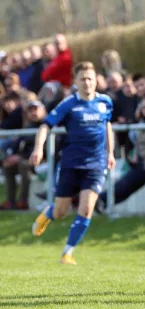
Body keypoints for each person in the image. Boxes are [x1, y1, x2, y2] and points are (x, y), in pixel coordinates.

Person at [30, 62, 115, 265]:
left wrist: (110, 153)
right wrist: (38, 148)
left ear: (95, 80)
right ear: (76, 82)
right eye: (83, 79)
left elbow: (107, 126)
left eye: (90, 78)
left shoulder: (105, 102)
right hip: (70, 164)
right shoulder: (68, 104)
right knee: (61, 212)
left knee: (86, 210)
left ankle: (67, 253)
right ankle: (49, 213)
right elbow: (45, 125)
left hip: (96, 164)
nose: (87, 82)